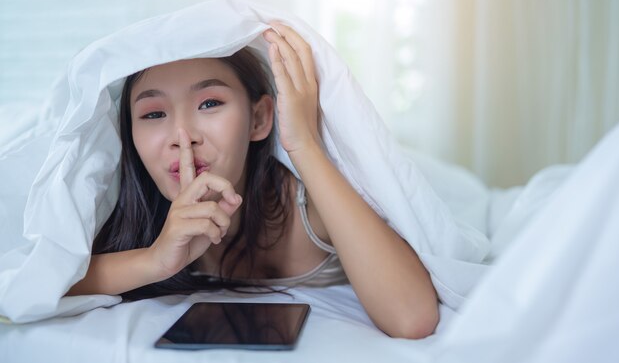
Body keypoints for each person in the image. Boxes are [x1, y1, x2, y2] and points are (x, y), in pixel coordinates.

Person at [66, 23, 439, 339]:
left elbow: (412, 318)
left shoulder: (309, 206)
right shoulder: (128, 218)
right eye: (154, 113)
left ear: (259, 119)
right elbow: (45, 284)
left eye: (209, 103)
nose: (182, 136)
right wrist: (156, 260)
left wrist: (304, 143)